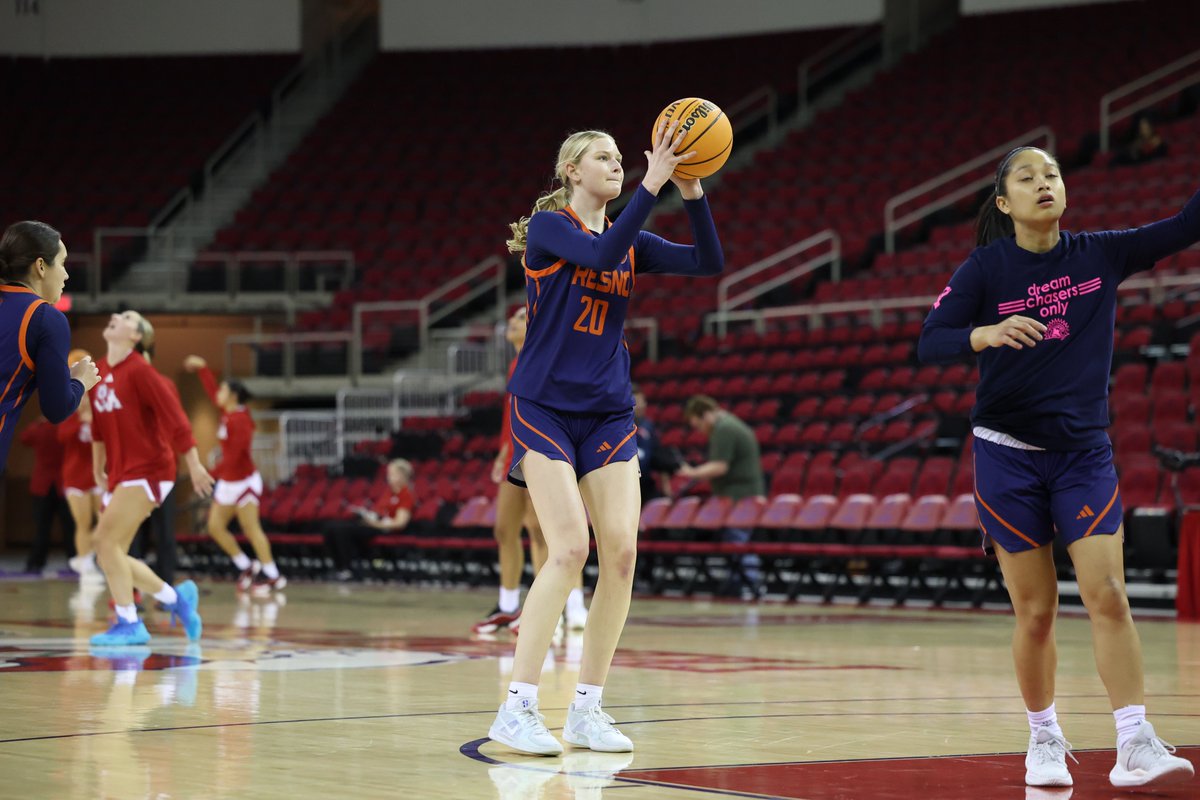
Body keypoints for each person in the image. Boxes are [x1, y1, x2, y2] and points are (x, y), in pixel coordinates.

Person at [918, 145, 1197, 789]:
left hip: (1083, 454)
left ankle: (1133, 741)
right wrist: (981, 334)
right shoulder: (985, 270)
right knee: (1036, 612)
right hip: (1006, 455)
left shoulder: (1100, 253)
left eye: (1053, 174)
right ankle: (1043, 738)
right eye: (1027, 177)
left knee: (1108, 594)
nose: (1044, 183)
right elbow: (930, 342)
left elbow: (1185, 225)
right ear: (1003, 200)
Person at [487, 121, 723, 756]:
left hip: (610, 411)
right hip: (545, 407)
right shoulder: (550, 229)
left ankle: (587, 709)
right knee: (567, 549)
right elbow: (598, 254)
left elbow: (709, 262)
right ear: (572, 172)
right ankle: (518, 706)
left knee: (620, 554)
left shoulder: (632, 237)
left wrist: (693, 192)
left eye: (623, 159)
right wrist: (652, 182)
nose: (619, 165)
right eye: (605, 157)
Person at [89, 310, 214, 647]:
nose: (116, 316)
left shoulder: (141, 372)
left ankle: (130, 623)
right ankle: (177, 599)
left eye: (128, 317)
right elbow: (98, 429)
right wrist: (97, 468)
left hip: (150, 468)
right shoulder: (97, 371)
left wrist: (195, 462)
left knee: (104, 542)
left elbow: (176, 420)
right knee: (111, 551)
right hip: (121, 472)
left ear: (136, 336)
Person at [473, 306, 587, 635]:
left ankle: (571, 607)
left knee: (546, 531)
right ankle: (509, 606)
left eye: (521, 318)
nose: (512, 322)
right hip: (513, 451)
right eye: (511, 318)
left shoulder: (545, 357)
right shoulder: (514, 363)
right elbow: (512, 416)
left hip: (542, 450)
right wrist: (502, 451)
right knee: (504, 528)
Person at [0, 220, 100, 470]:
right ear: (41, 266)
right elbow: (56, 409)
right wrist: (80, 381)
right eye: (63, 262)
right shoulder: (45, 318)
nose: (66, 274)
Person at [183, 354, 285, 594]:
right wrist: (203, 368)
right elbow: (211, 391)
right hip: (229, 480)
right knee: (215, 527)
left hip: (244, 481)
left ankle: (273, 574)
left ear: (233, 395)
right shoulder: (227, 412)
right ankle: (246, 565)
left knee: (251, 528)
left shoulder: (241, 420)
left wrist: (209, 473)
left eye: (223, 390)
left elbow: (235, 456)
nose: (218, 392)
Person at [678, 394, 766, 598]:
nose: (699, 430)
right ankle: (741, 583)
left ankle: (750, 584)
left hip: (741, 497)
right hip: (740, 496)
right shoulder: (730, 424)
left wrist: (691, 472)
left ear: (706, 415)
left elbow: (720, 466)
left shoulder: (724, 429)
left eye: (698, 424)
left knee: (738, 541)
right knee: (735, 541)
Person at [323, 458, 415, 581]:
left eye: (392, 474)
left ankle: (346, 570)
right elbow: (379, 510)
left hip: (384, 528)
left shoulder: (406, 495)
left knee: (342, 531)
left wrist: (375, 523)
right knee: (330, 528)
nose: (389, 477)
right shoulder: (388, 492)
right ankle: (338, 567)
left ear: (402, 475)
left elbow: (399, 523)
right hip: (373, 523)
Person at [57, 358, 103, 578]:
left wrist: (91, 420)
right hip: (74, 476)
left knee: (104, 520)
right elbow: (61, 436)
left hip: (96, 475)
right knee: (83, 522)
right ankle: (85, 563)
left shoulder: (97, 416)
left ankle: (89, 557)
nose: (84, 399)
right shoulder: (71, 415)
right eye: (82, 395)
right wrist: (79, 421)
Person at [19, 415, 75, 573]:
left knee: (41, 528)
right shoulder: (65, 427)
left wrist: (38, 422)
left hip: (42, 485)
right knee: (70, 528)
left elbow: (24, 438)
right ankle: (74, 561)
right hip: (63, 484)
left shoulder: (40, 428)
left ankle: (36, 563)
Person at [632, 384, 675, 501]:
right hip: (625, 485)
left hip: (646, 484)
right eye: (637, 402)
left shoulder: (648, 426)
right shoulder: (616, 428)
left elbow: (658, 457)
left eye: (643, 401)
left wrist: (666, 488)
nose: (642, 405)